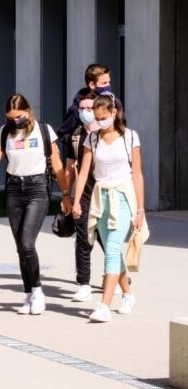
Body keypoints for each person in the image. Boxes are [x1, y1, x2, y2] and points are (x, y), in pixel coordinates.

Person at [0, 94, 65, 315]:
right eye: (10, 117)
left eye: (18, 116)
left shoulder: (43, 130)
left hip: (37, 187)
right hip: (14, 188)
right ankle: (28, 294)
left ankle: (37, 291)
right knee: (20, 247)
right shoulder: (5, 132)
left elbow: (56, 163)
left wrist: (66, 194)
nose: (15, 120)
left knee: (27, 243)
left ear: (28, 111)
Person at [72, 95, 145, 323]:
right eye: (97, 118)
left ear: (114, 113)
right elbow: (84, 172)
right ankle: (128, 295)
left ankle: (104, 305)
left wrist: (140, 209)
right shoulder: (92, 139)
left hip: (123, 196)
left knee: (112, 248)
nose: (101, 121)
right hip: (100, 197)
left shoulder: (130, 137)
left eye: (104, 117)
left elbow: (137, 174)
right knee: (112, 251)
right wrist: (76, 201)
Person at [62, 92, 102, 302]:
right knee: (83, 239)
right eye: (82, 109)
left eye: (89, 108)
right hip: (83, 193)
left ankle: (116, 277)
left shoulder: (108, 133)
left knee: (107, 239)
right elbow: (69, 168)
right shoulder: (76, 136)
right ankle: (84, 283)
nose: (85, 112)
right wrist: (67, 195)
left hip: (105, 192)